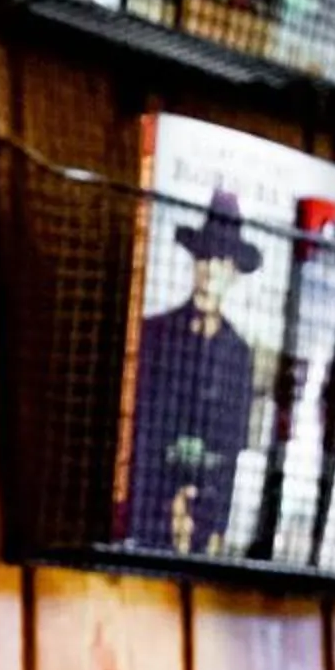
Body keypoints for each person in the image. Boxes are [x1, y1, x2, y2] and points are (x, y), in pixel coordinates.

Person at [119, 191, 264, 552]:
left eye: (220, 260)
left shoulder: (239, 355)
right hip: (147, 506)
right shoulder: (153, 334)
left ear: (232, 273)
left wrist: (214, 522)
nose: (209, 270)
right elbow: (139, 431)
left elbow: (233, 448)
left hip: (207, 511)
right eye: (203, 257)